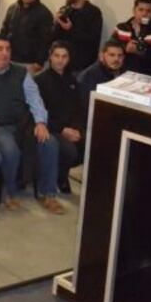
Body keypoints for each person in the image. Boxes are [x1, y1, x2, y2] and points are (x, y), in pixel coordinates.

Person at [0, 34, 64, 214]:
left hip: (21, 125)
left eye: (8, 49)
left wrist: (41, 122)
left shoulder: (21, 73)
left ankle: (48, 194)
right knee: (10, 149)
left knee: (49, 143)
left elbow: (35, 99)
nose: (5, 53)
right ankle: (10, 193)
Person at [35, 42, 85, 194]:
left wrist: (76, 128)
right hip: (50, 128)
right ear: (50, 57)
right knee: (70, 151)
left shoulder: (72, 80)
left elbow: (78, 108)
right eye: (56, 56)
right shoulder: (40, 81)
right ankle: (60, 177)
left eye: (64, 56)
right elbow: (39, 113)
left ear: (69, 59)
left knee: (88, 145)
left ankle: (60, 173)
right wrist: (62, 130)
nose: (60, 60)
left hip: (70, 127)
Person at [51, 0, 103, 73]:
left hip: (82, 65)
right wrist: (56, 23)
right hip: (62, 63)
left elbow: (93, 39)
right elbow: (54, 38)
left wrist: (71, 29)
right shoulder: (64, 10)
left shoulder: (93, 12)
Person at [0, 0, 54, 70]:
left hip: (31, 62)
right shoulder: (12, 9)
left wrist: (39, 61)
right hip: (10, 59)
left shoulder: (44, 13)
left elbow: (46, 40)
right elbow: (4, 31)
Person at [110, 0, 151, 76]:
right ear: (134, 10)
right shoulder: (121, 28)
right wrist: (125, 48)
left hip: (149, 76)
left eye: (148, 11)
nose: (144, 14)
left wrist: (142, 52)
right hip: (123, 74)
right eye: (141, 10)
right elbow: (110, 50)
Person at [76, 40, 126, 113]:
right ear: (102, 56)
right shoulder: (89, 76)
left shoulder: (123, 73)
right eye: (111, 55)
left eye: (120, 55)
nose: (116, 59)